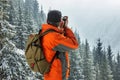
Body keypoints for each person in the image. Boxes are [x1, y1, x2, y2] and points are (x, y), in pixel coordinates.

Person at [41, 10, 79, 80]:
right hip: (57, 75)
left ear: (47, 20)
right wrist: (66, 28)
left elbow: (58, 40)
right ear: (59, 22)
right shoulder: (55, 37)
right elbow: (74, 44)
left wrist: (61, 29)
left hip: (50, 74)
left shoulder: (45, 32)